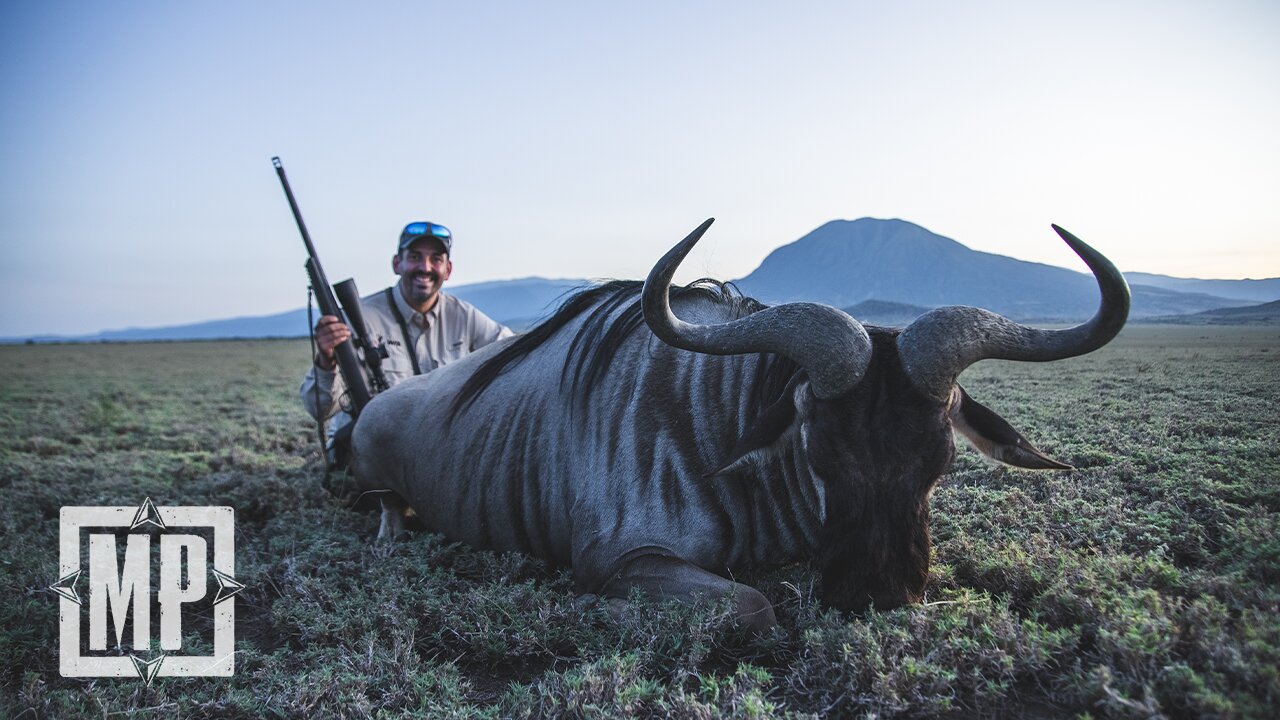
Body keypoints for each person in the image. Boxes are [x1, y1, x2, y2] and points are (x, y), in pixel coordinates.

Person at [300, 220, 513, 462]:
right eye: (414, 257)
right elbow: (319, 409)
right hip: (371, 453)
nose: (425, 267)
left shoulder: (465, 316)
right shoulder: (358, 318)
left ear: (448, 269)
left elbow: (512, 352)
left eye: (436, 259)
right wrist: (326, 361)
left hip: (436, 451)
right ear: (396, 263)